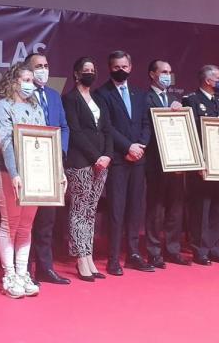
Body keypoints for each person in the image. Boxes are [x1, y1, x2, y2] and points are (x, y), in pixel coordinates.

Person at [0, 63, 65, 298]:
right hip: (8, 173)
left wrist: (57, 171)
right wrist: (14, 173)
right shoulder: (3, 106)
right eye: (25, 80)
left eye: (32, 81)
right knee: (9, 223)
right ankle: (9, 275)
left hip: (35, 175)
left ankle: (23, 273)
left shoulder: (36, 107)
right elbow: (5, 142)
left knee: (25, 225)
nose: (30, 85)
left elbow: (47, 142)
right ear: (14, 82)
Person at [94, 50, 154, 275]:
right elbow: (107, 126)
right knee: (116, 210)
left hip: (139, 159)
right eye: (116, 67)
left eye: (124, 67)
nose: (121, 70)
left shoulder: (140, 94)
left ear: (131, 67)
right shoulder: (101, 94)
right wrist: (128, 147)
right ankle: (113, 258)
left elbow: (146, 123)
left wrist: (140, 146)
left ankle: (133, 254)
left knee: (135, 209)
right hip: (118, 159)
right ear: (110, 68)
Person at [62, 57, 113, 281]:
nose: (90, 73)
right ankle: (80, 258)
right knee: (79, 210)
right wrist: (96, 157)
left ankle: (89, 255)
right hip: (81, 162)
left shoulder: (99, 99)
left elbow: (107, 130)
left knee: (91, 211)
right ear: (76, 74)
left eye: (93, 70)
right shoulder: (70, 99)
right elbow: (75, 132)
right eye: (86, 70)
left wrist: (108, 155)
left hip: (102, 164)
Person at [26, 52, 71, 285]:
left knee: (47, 219)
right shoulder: (20, 95)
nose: (43, 70)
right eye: (38, 66)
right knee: (26, 221)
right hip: (29, 164)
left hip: (52, 164)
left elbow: (64, 127)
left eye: (45, 65)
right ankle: (25, 270)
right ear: (28, 70)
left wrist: (59, 152)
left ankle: (45, 268)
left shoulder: (53, 96)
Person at [181, 65, 219, 265]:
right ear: (207, 80)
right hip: (202, 163)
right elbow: (190, 133)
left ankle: (214, 247)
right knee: (201, 207)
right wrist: (198, 162)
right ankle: (200, 249)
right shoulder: (191, 100)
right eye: (218, 78)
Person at [143, 59, 189, 267]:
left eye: (169, 72)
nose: (167, 76)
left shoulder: (174, 100)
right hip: (156, 161)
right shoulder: (145, 98)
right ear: (152, 74)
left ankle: (173, 249)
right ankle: (154, 251)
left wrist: (180, 113)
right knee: (156, 208)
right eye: (163, 72)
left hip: (177, 161)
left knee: (175, 207)